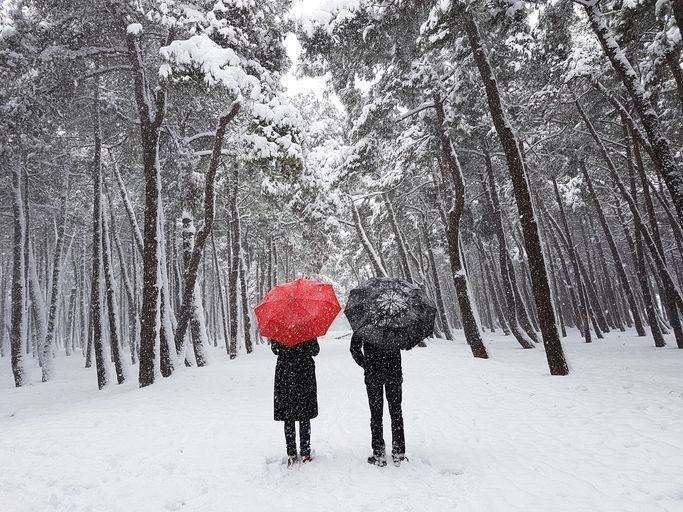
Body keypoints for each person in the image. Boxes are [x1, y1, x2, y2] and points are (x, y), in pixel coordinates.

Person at [350, 330, 407, 467]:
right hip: (393, 373)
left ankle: (379, 452)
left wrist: (366, 363)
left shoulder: (365, 324)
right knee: (396, 412)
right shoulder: (396, 324)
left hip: (373, 375)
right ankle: (398, 451)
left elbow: (354, 348)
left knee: (376, 415)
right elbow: (405, 343)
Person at [271, 338, 320, 466]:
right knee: (304, 415)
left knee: (289, 416)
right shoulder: (307, 330)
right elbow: (315, 350)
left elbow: (275, 350)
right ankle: (305, 452)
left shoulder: (279, 329)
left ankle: (292, 454)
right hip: (304, 374)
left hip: (286, 375)